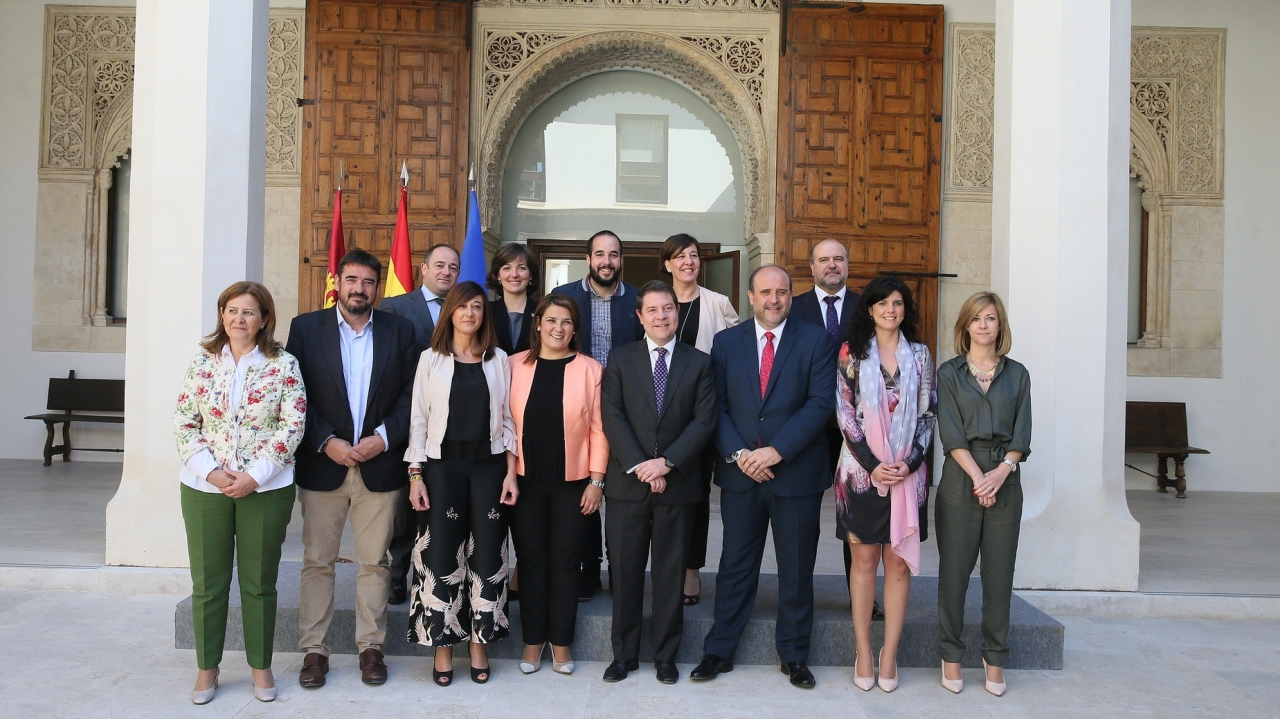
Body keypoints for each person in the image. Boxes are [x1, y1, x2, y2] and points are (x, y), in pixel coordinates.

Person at [690, 264, 836, 690]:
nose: (775, 299)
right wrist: (741, 453)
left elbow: (820, 403)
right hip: (741, 475)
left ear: (792, 296)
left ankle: (794, 655)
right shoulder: (726, 342)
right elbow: (715, 406)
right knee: (735, 566)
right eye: (766, 292)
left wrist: (776, 450)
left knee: (795, 569)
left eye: (783, 292)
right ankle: (719, 650)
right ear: (750, 297)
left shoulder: (816, 340)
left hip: (796, 475)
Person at [286, 249, 419, 689]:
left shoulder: (400, 331)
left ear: (377, 288)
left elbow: (410, 396)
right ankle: (314, 652)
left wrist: (383, 437)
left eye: (367, 282)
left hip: (379, 466)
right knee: (318, 562)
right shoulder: (306, 329)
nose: (359, 289)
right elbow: (295, 393)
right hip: (324, 465)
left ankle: (371, 649)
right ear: (337, 283)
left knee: (374, 564)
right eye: (351, 280)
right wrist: (327, 442)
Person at [173, 281, 306, 705]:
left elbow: (292, 427)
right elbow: (183, 421)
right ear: (222, 315)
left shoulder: (284, 365)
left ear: (264, 319)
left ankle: (261, 669)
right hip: (204, 487)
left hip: (265, 489)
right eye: (231, 310)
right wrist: (212, 473)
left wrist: (254, 476)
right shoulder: (202, 362)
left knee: (258, 584)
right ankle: (207, 669)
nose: (238, 319)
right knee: (209, 584)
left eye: (248, 312)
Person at [600, 280, 717, 684]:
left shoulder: (699, 362)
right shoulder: (620, 359)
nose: (662, 316)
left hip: (678, 484)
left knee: (670, 575)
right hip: (628, 486)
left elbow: (704, 421)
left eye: (668, 308)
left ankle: (666, 656)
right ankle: (624, 655)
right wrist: (641, 465)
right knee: (626, 574)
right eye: (653, 310)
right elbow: (611, 416)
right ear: (640, 316)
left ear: (677, 312)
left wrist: (666, 463)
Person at [404, 281, 519, 687]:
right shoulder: (430, 360)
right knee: (440, 557)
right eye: (462, 307)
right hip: (441, 469)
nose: (470, 313)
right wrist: (415, 474)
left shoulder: (498, 359)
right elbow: (417, 420)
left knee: (488, 556)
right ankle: (442, 645)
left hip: (488, 468)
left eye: (477, 307)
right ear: (449, 312)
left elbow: (508, 421)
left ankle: (479, 643)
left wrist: (509, 472)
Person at [835, 275, 936, 694]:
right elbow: (843, 413)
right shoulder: (851, 354)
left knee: (896, 562)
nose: (890, 310)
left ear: (904, 309)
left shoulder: (921, 355)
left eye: (897, 303)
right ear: (870, 309)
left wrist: (909, 462)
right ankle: (862, 649)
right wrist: (875, 464)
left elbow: (928, 415)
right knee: (863, 563)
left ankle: (889, 653)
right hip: (860, 475)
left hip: (908, 476)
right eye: (882, 304)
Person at [935, 291, 1030, 698]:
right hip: (961, 478)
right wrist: (980, 478)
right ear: (965, 326)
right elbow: (951, 433)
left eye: (991, 318)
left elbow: (1023, 432)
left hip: (1005, 478)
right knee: (954, 574)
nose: (984, 325)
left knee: (998, 576)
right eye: (976, 318)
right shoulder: (949, 373)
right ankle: (951, 656)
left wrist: (1001, 473)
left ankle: (995, 659)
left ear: (999, 325)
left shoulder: (1018, 374)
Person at [508, 294, 608, 676]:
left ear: (574, 329)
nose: (558, 328)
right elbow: (503, 426)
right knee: (532, 563)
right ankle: (533, 642)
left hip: (574, 483)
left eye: (566, 322)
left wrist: (596, 481)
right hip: (525, 483)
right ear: (538, 323)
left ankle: (561, 643)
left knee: (567, 563)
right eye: (551, 320)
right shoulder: (514, 365)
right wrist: (508, 473)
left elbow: (599, 431)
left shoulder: (590, 370)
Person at [789, 238, 879, 620]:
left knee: (855, 513)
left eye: (838, 259)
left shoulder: (868, 308)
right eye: (823, 260)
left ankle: (859, 595)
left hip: (856, 430)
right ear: (811, 267)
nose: (831, 265)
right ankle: (799, 593)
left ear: (848, 265)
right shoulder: (793, 307)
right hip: (809, 427)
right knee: (804, 515)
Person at [551, 230, 644, 600]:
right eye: (600, 254)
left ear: (621, 259)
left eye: (614, 254)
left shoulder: (638, 300)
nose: (607, 261)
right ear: (588, 259)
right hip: (577, 408)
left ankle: (618, 569)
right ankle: (587, 572)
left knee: (621, 493)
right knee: (582, 490)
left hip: (628, 411)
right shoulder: (565, 298)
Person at [658, 233, 738, 605]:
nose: (688, 261)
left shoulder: (718, 303)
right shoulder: (657, 302)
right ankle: (663, 567)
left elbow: (738, 356)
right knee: (661, 493)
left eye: (694, 255)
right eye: (680, 256)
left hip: (702, 414)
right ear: (667, 264)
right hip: (661, 415)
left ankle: (691, 570)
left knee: (697, 495)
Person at [380, 243, 461, 605]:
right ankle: (398, 574)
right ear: (424, 269)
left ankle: (437, 572)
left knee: (442, 502)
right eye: (439, 265)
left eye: (453, 267)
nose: (446, 272)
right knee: (402, 506)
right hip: (406, 419)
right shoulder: (395, 308)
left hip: (454, 424)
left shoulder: (466, 309)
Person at [489, 243, 538, 355]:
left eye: (521, 268)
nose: (514, 274)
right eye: (507, 268)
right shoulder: (486, 311)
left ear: (531, 275)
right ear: (498, 276)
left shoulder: (543, 312)